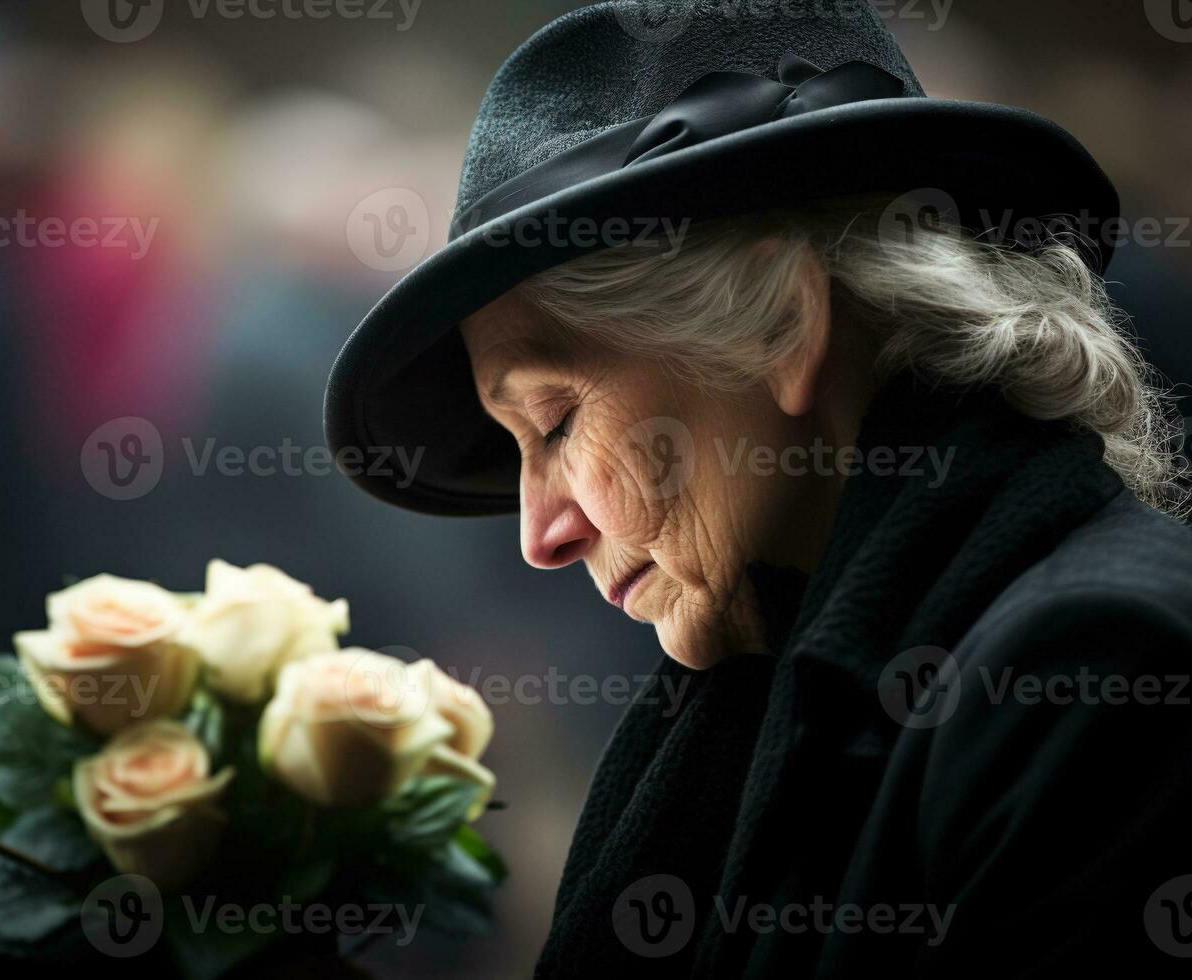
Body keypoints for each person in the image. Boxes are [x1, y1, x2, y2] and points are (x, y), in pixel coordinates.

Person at [323, 3, 1192, 976]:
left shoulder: (1089, 676)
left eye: (557, 421)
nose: (540, 532)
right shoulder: (767, 683)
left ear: (781, 324)